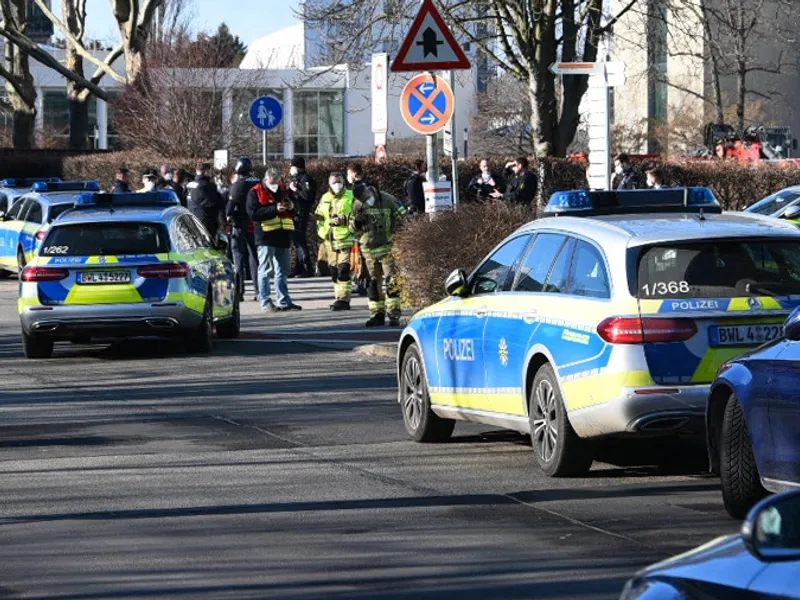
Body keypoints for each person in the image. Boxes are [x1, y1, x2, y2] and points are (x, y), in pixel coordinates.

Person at [246, 167, 302, 313]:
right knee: (265, 270)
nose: (274, 185)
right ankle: (265, 302)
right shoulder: (255, 192)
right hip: (265, 236)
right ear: (265, 180)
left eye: (276, 182)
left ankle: (284, 300)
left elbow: (296, 208)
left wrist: (291, 206)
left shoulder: (283, 190)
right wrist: (274, 209)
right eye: (272, 182)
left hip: (283, 235)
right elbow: (253, 214)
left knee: (282, 270)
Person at [351, 185, 403, 327]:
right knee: (373, 284)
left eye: (366, 197)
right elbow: (352, 228)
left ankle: (394, 314)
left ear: (371, 190)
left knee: (392, 281)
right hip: (368, 251)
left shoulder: (389, 200)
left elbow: (403, 219)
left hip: (388, 248)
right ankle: (376, 314)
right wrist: (356, 223)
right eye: (362, 199)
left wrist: (398, 240)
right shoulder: (357, 205)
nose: (366, 201)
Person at [316, 172, 356, 311]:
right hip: (330, 240)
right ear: (329, 184)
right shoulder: (325, 198)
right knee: (333, 271)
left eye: (338, 181)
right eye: (333, 182)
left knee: (343, 270)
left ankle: (344, 300)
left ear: (343, 182)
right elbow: (319, 217)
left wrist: (343, 220)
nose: (336, 184)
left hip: (346, 239)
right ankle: (338, 297)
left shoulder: (351, 196)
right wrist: (323, 231)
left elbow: (358, 216)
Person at [226, 156, 261, 302]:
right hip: (256, 223)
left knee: (238, 257)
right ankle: (259, 290)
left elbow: (230, 206)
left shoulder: (237, 185)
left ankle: (239, 291)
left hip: (240, 224)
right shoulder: (258, 182)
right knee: (255, 257)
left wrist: (228, 217)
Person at [288, 157, 316, 278]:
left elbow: (307, 196)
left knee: (300, 240)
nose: (291, 169)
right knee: (296, 240)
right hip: (294, 213)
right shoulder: (296, 179)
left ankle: (307, 268)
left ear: (298, 166)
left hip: (302, 213)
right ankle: (298, 267)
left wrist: (296, 190)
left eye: (292, 166)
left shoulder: (306, 179)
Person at [186, 162, 225, 238]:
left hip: (191, 219)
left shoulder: (190, 185)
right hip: (206, 221)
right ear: (206, 172)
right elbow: (216, 203)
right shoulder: (206, 186)